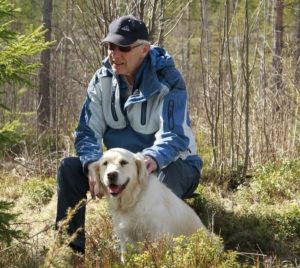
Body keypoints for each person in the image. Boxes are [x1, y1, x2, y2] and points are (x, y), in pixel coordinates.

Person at [55, 15, 203, 255]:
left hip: (175, 164)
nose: (114, 53)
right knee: (69, 168)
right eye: (111, 46)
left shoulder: (169, 81)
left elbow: (174, 136)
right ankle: (70, 251)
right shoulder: (100, 80)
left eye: (123, 47)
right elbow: (86, 132)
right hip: (119, 170)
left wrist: (149, 160)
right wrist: (93, 163)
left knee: (154, 186)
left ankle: (156, 256)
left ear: (144, 50)